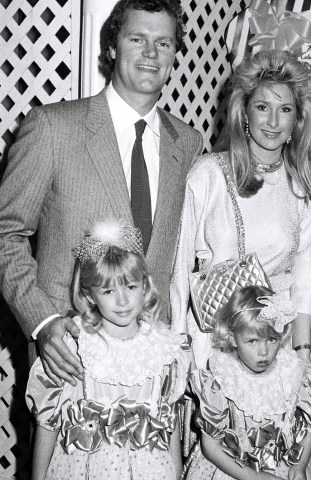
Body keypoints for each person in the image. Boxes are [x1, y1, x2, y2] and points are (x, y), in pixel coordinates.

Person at [0, 0, 202, 386]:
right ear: (112, 48)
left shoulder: (189, 143)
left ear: (174, 53)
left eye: (163, 43)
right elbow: (5, 232)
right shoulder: (53, 128)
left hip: (154, 360)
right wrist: (43, 321)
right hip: (70, 355)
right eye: (137, 38)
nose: (150, 53)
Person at [170, 50, 311, 368]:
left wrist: (302, 353)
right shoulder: (208, 174)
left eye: (284, 109)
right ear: (244, 112)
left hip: (275, 338)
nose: (273, 122)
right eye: (262, 107)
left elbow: (306, 279)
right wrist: (180, 340)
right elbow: (179, 266)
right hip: (217, 333)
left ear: (298, 118)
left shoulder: (304, 186)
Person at [26, 218, 191, 480]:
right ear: (90, 295)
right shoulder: (77, 345)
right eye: (108, 291)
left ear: (144, 286)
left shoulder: (164, 347)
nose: (122, 300)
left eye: (131, 286)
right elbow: (48, 423)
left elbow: (168, 422)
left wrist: (176, 471)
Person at [184, 285, 311, 480]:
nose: (263, 351)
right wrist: (255, 477)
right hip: (233, 469)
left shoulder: (292, 375)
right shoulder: (221, 382)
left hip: (282, 465)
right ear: (233, 339)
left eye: (271, 339)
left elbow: (307, 428)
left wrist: (300, 464)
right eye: (252, 341)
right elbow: (211, 448)